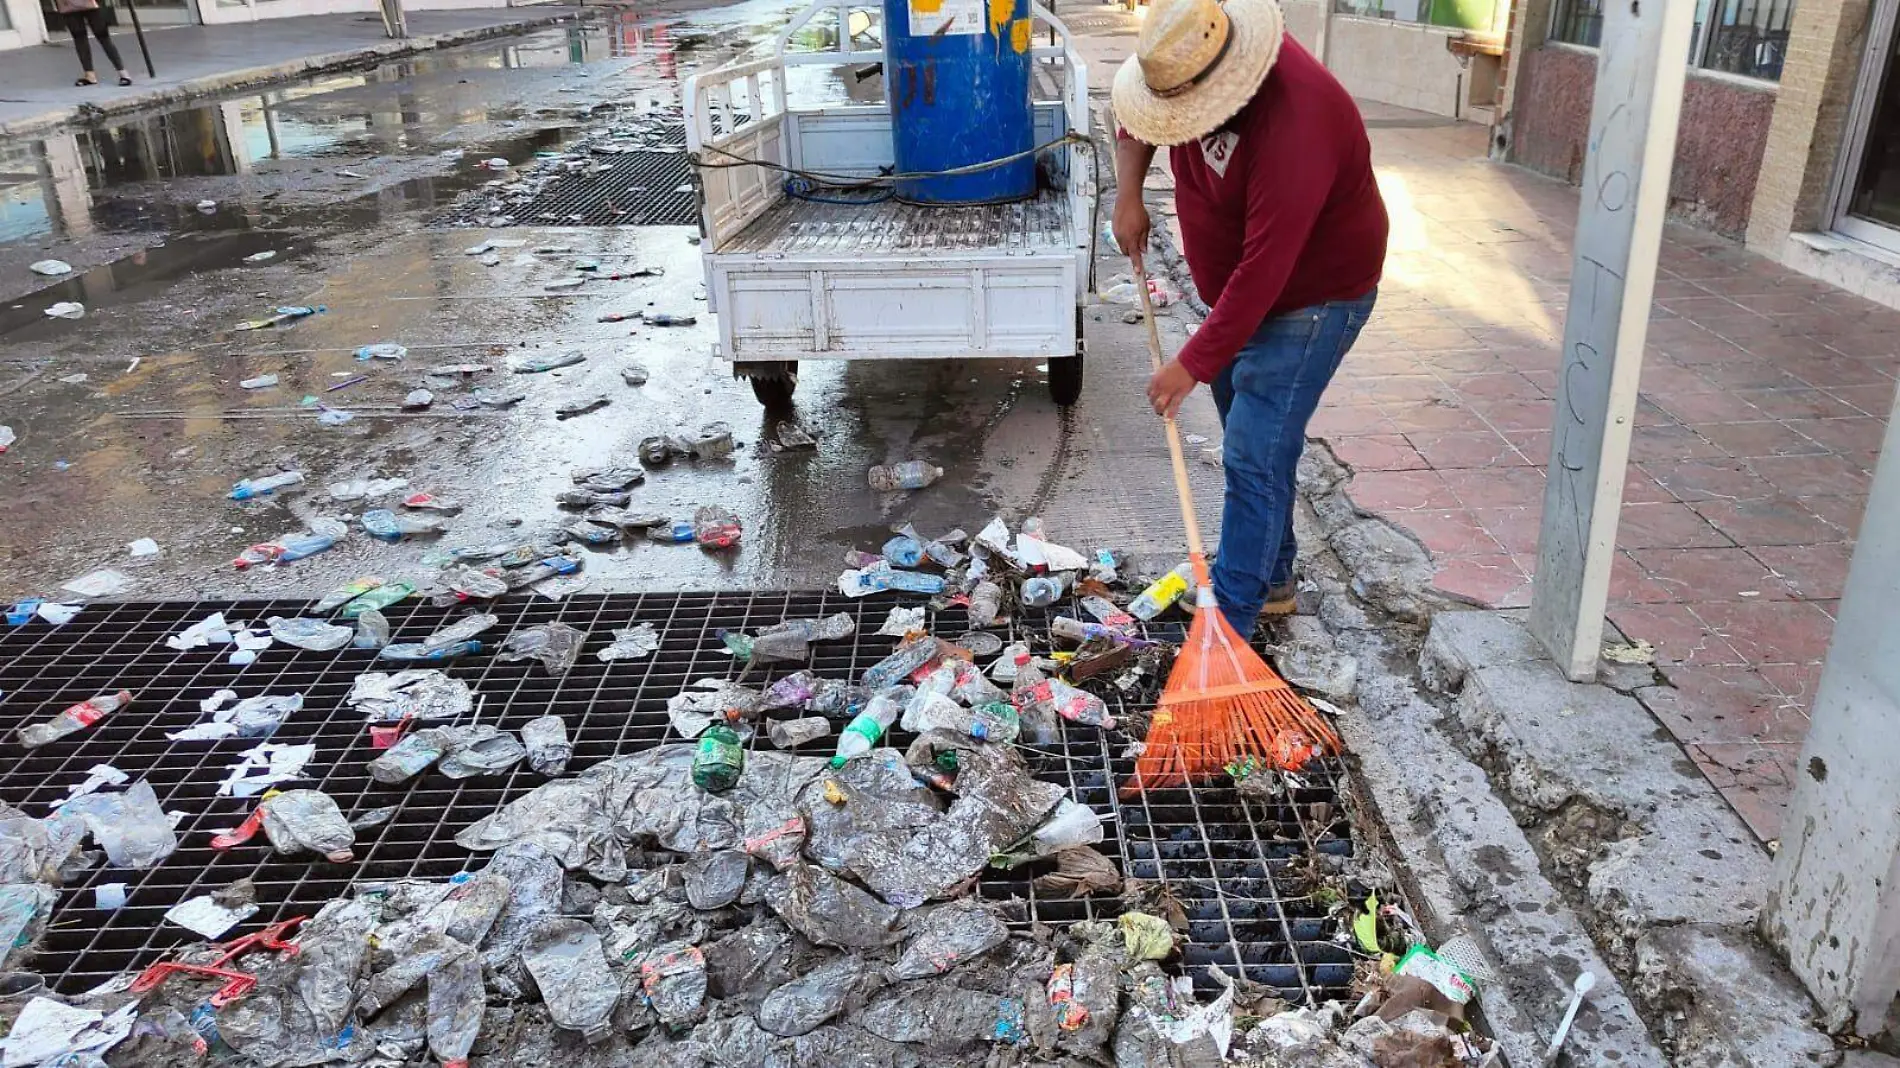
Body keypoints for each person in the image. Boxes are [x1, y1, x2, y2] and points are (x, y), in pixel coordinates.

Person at [1111, 0, 1387, 634]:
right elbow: (1134, 118)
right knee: (1253, 437)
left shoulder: (1297, 119)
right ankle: (1272, 577)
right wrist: (1129, 196)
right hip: (1235, 292)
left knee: (1254, 451)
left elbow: (1266, 270)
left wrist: (1192, 363)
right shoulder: (1182, 56)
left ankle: (1229, 621)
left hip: (1314, 298)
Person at [57, 0, 133, 88]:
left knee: (103, 37)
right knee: (79, 38)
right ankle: (90, 75)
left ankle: (123, 73)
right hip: (68, 7)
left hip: (91, 5)